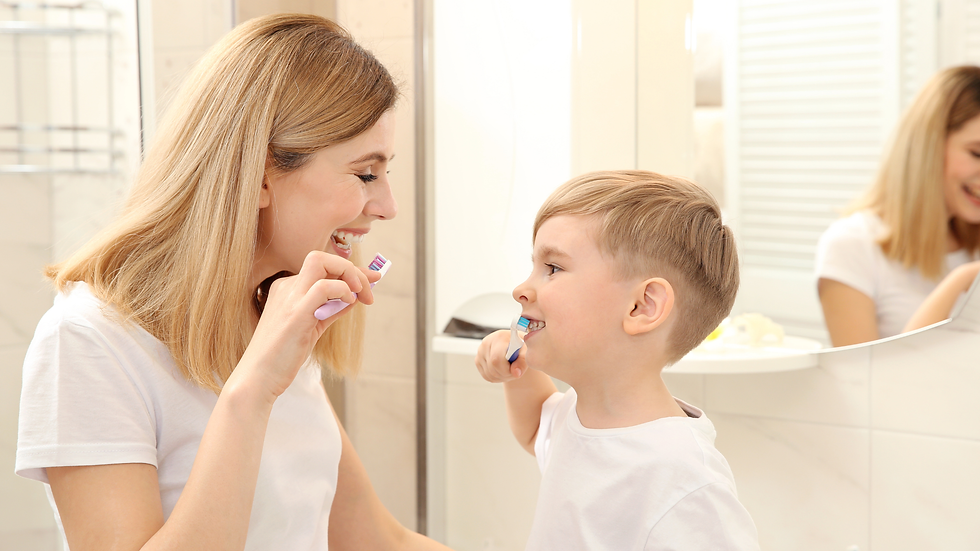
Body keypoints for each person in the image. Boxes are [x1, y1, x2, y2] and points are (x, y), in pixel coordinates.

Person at [15, 14, 449, 551]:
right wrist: (254, 388)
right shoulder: (88, 342)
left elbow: (379, 542)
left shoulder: (271, 314)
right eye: (365, 174)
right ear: (262, 175)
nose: (387, 206)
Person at [474, 171, 760, 550]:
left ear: (641, 306)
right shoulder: (579, 414)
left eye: (553, 268)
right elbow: (534, 428)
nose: (521, 289)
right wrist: (515, 368)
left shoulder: (684, 480)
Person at [816, 65, 980, 347]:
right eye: (977, 153)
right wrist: (963, 279)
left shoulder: (972, 242)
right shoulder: (851, 246)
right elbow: (868, 383)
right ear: (929, 145)